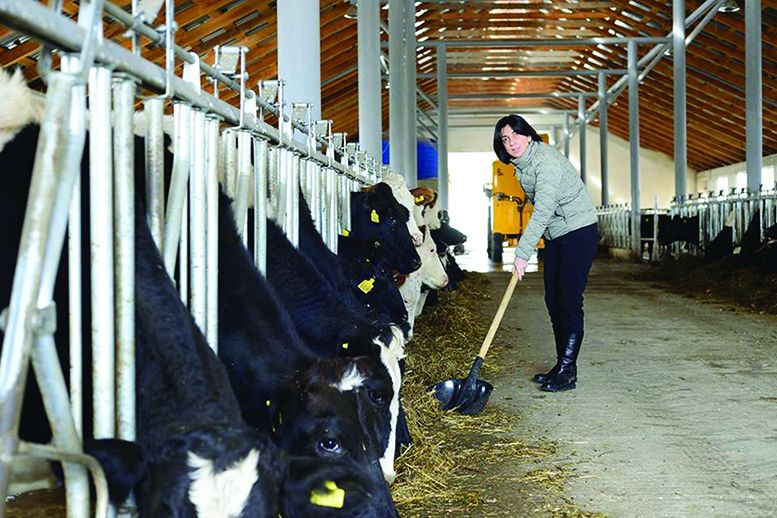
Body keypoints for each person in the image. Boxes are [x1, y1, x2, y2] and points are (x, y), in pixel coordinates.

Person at [493, 114, 599, 392]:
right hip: (557, 234)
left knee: (569, 302)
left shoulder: (546, 161)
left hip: (578, 231)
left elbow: (542, 211)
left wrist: (522, 253)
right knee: (553, 300)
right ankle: (562, 364)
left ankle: (568, 372)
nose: (512, 142)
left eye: (516, 134)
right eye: (505, 139)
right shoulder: (521, 166)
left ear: (528, 135)